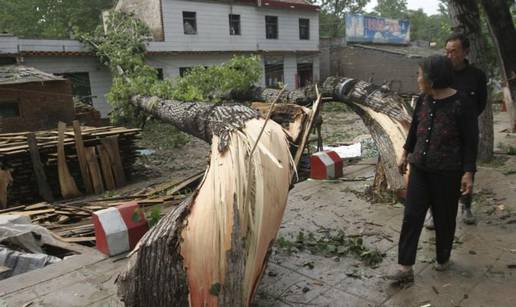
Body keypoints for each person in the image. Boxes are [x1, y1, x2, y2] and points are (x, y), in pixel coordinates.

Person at [386, 55, 479, 283]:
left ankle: (443, 257)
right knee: (411, 216)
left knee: (444, 218)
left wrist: (468, 172)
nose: (418, 78)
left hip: (448, 172)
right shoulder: (423, 99)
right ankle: (405, 267)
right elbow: (415, 128)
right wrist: (405, 153)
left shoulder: (462, 103)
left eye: (420, 74)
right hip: (420, 168)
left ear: (432, 77)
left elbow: (470, 141)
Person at [424, 33, 487, 229]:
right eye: (447, 51)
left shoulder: (477, 76)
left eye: (454, 51)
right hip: (442, 133)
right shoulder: (441, 73)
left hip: (466, 132)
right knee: (436, 171)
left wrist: (465, 120)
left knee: (467, 169)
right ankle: (434, 212)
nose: (449, 55)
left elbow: (481, 104)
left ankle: (465, 206)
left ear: (466, 52)